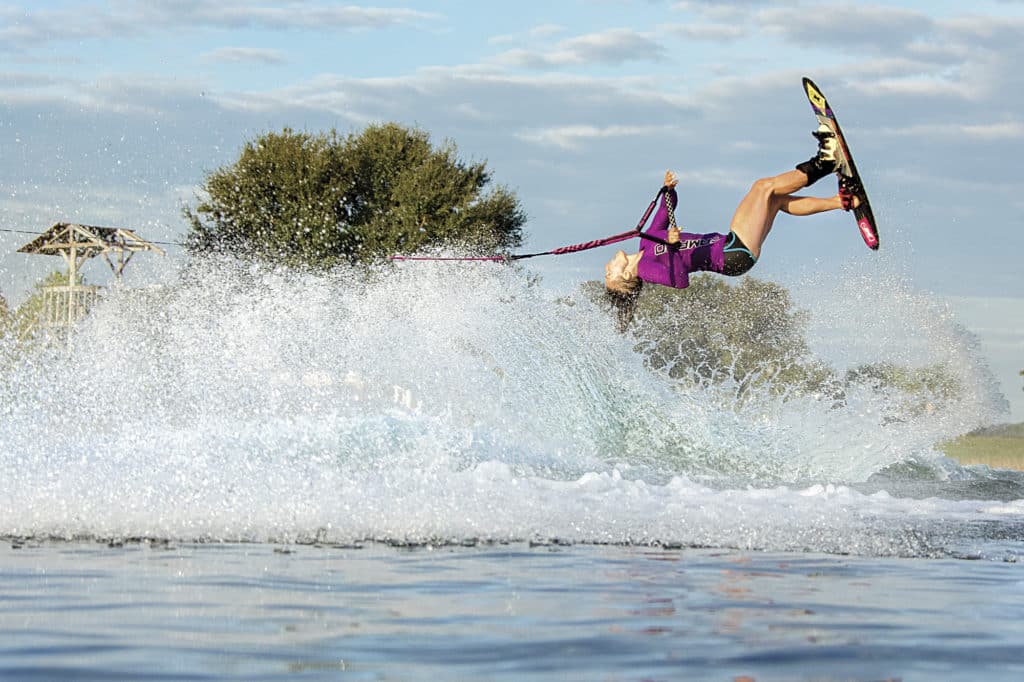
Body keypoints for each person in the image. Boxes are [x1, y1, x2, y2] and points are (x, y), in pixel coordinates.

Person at [604, 126, 859, 326]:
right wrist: (671, 247)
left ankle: (842, 201)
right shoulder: (647, 268)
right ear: (626, 275)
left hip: (730, 245)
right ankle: (825, 161)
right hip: (731, 256)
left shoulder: (646, 242)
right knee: (763, 187)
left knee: (777, 199)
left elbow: (665, 210)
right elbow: (679, 281)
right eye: (609, 275)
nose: (606, 268)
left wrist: (668, 190)